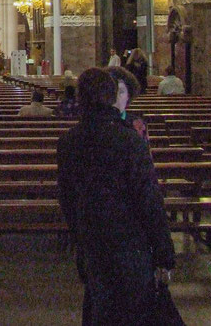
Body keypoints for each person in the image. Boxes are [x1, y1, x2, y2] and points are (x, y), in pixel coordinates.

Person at [57, 68, 176, 326]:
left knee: (98, 309)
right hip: (130, 245)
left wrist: (79, 235)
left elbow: (66, 197)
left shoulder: (68, 141)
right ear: (112, 97)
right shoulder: (129, 140)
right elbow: (149, 199)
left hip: (93, 243)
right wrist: (164, 253)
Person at [108, 65, 149, 145]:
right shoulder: (97, 123)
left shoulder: (137, 124)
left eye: (121, 92)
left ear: (128, 95)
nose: (116, 96)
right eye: (112, 91)